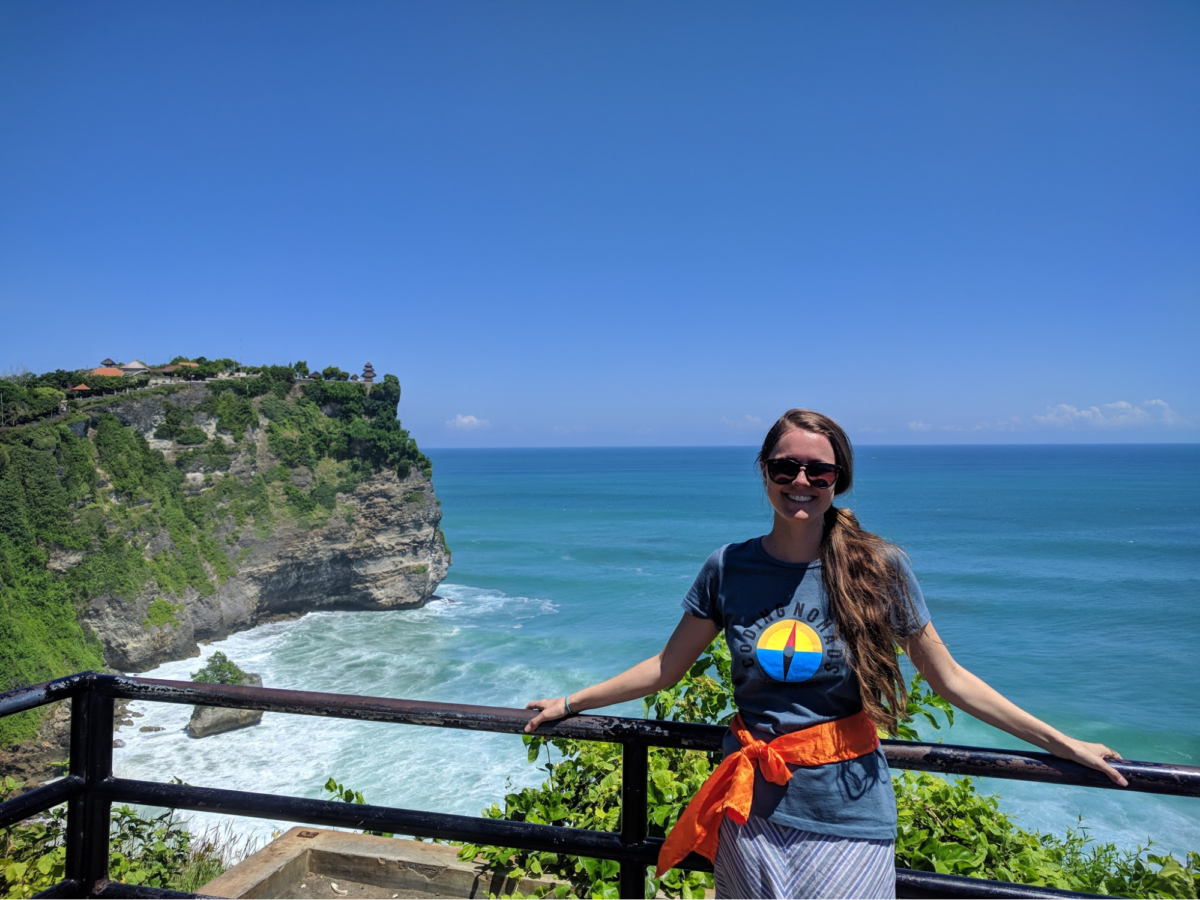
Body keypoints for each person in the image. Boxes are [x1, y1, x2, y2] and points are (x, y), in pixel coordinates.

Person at [525, 408, 1128, 899]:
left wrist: (1063, 744)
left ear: (839, 480)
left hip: (848, 813)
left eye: (820, 471)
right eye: (787, 467)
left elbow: (950, 680)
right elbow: (665, 668)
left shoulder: (877, 567)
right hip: (751, 810)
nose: (802, 482)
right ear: (764, 472)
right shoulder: (729, 567)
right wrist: (571, 701)